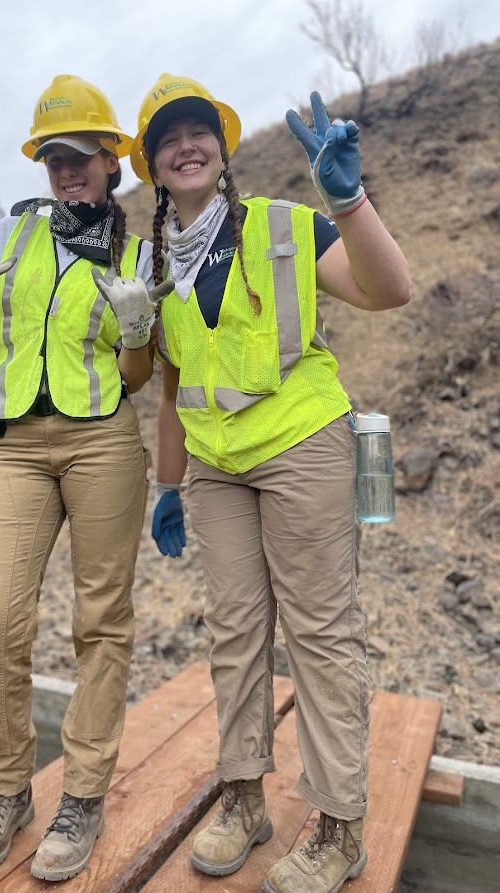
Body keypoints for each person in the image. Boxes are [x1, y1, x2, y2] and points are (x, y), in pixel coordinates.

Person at [129, 73, 412, 893]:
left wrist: (351, 201)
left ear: (222, 149)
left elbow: (388, 290)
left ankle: (339, 825)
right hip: (218, 469)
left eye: (199, 131)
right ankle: (245, 798)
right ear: (153, 166)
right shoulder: (157, 266)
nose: (186, 144)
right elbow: (176, 387)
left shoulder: (287, 225)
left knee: (321, 634)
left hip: (301, 444)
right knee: (236, 632)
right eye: (168, 138)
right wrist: (170, 484)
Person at [0, 74, 169, 883]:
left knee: (101, 621)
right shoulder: (12, 236)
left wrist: (139, 326)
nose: (67, 170)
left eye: (82, 156)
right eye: (53, 158)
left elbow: (137, 375)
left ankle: (82, 794)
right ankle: (6, 792)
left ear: (113, 162)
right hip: (14, 448)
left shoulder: (139, 253)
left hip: (103, 439)